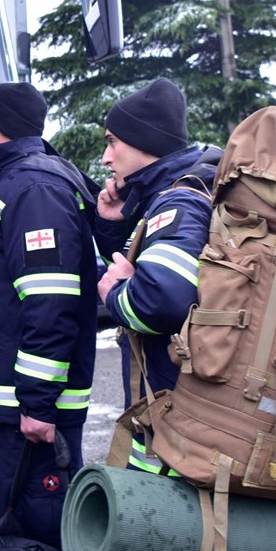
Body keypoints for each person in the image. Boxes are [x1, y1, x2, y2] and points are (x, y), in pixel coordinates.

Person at [0, 82, 100, 549]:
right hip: (9, 408)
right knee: (12, 532)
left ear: (3, 123)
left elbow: (51, 302)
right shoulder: (10, 182)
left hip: (27, 415)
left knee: (40, 537)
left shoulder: (33, 187)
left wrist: (38, 404)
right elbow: (6, 285)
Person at [93, 77, 220, 476]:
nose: (105, 157)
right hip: (183, 411)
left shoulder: (178, 200)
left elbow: (160, 302)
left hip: (177, 417)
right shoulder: (172, 194)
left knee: (165, 527)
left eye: (112, 142)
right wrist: (115, 226)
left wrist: (115, 292)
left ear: (143, 142)